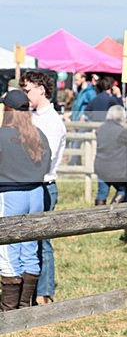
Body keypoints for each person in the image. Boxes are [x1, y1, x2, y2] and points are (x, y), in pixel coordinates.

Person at [0, 89, 51, 310]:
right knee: (30, 248)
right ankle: (24, 304)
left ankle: (9, 307)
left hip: (10, 194)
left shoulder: (2, 135)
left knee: (8, 248)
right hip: (36, 194)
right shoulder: (38, 134)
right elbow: (47, 164)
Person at [20, 71, 66, 304]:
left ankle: (43, 292)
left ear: (41, 89)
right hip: (27, 183)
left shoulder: (51, 121)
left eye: (27, 90)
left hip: (43, 184)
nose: (25, 94)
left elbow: (44, 158)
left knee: (41, 240)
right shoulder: (31, 116)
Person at [94, 106, 127, 205]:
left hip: (101, 167)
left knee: (102, 193)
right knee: (123, 191)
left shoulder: (100, 129)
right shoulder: (122, 131)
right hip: (117, 170)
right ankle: (114, 209)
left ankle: (98, 215)